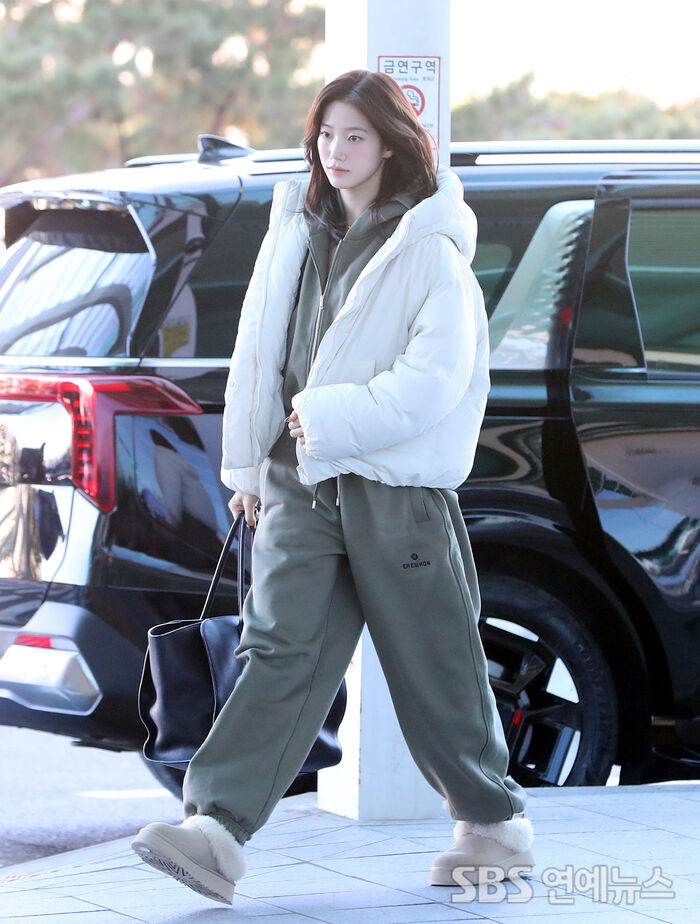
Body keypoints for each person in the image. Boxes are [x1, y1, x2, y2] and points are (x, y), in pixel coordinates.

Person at [132, 68, 534, 905]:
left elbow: (435, 379)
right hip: (297, 480)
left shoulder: (430, 249)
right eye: (325, 135)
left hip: (392, 487)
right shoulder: (296, 231)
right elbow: (260, 358)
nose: (336, 152)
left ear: (390, 142)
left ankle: (492, 823)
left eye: (354, 135)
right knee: (278, 650)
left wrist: (327, 417)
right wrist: (249, 468)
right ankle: (215, 831)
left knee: (435, 664)